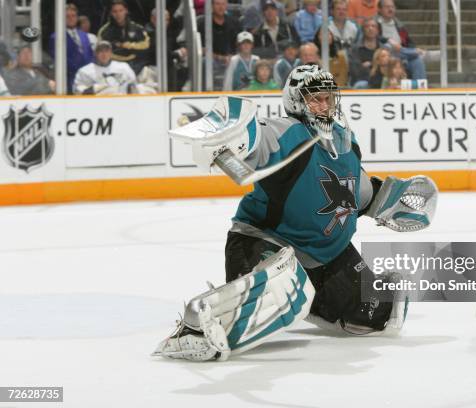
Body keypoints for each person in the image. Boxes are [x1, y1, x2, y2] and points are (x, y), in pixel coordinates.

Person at [153, 64, 438, 361]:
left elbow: (359, 193)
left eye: (328, 98)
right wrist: (231, 137)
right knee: (283, 286)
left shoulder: (345, 141)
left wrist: (394, 201)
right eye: (315, 98)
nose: (324, 105)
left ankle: (312, 302)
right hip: (264, 243)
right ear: (295, 100)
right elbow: (256, 140)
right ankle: (196, 330)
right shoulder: (287, 131)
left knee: (378, 312)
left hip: (326, 256)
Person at [376, 0, 427, 80]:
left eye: (392, 7)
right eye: (387, 7)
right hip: (386, 53)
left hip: (401, 55)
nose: (390, 9)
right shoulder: (375, 23)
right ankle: (421, 53)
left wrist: (408, 48)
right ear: (380, 9)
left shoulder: (399, 25)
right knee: (388, 46)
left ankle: (420, 89)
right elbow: (374, 37)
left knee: (417, 61)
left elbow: (408, 42)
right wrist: (388, 40)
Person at [50, 3, 95, 92]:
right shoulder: (56, 37)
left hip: (88, 78)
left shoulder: (84, 35)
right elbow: (57, 59)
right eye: (67, 16)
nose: (71, 18)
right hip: (69, 80)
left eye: (73, 16)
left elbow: (90, 55)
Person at [98, 0, 151, 75]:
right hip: (113, 66)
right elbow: (101, 52)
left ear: (126, 11)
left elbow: (146, 45)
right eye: (115, 11)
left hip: (137, 65)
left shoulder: (137, 28)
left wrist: (126, 45)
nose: (118, 14)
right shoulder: (104, 31)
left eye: (121, 10)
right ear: (110, 13)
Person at [197, 0, 241, 89]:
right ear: (212, 6)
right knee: (205, 62)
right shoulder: (202, 23)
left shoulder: (234, 22)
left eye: (223, 4)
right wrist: (218, 57)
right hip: (211, 59)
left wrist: (232, 57)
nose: (221, 7)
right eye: (217, 4)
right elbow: (200, 48)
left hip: (230, 58)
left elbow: (239, 44)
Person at [349, 18, 383, 88]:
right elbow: (356, 71)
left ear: (378, 30)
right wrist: (376, 65)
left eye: (373, 26)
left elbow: (387, 68)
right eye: (367, 26)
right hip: (362, 81)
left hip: (380, 81)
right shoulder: (355, 49)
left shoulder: (383, 48)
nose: (370, 28)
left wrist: (370, 64)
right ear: (363, 30)